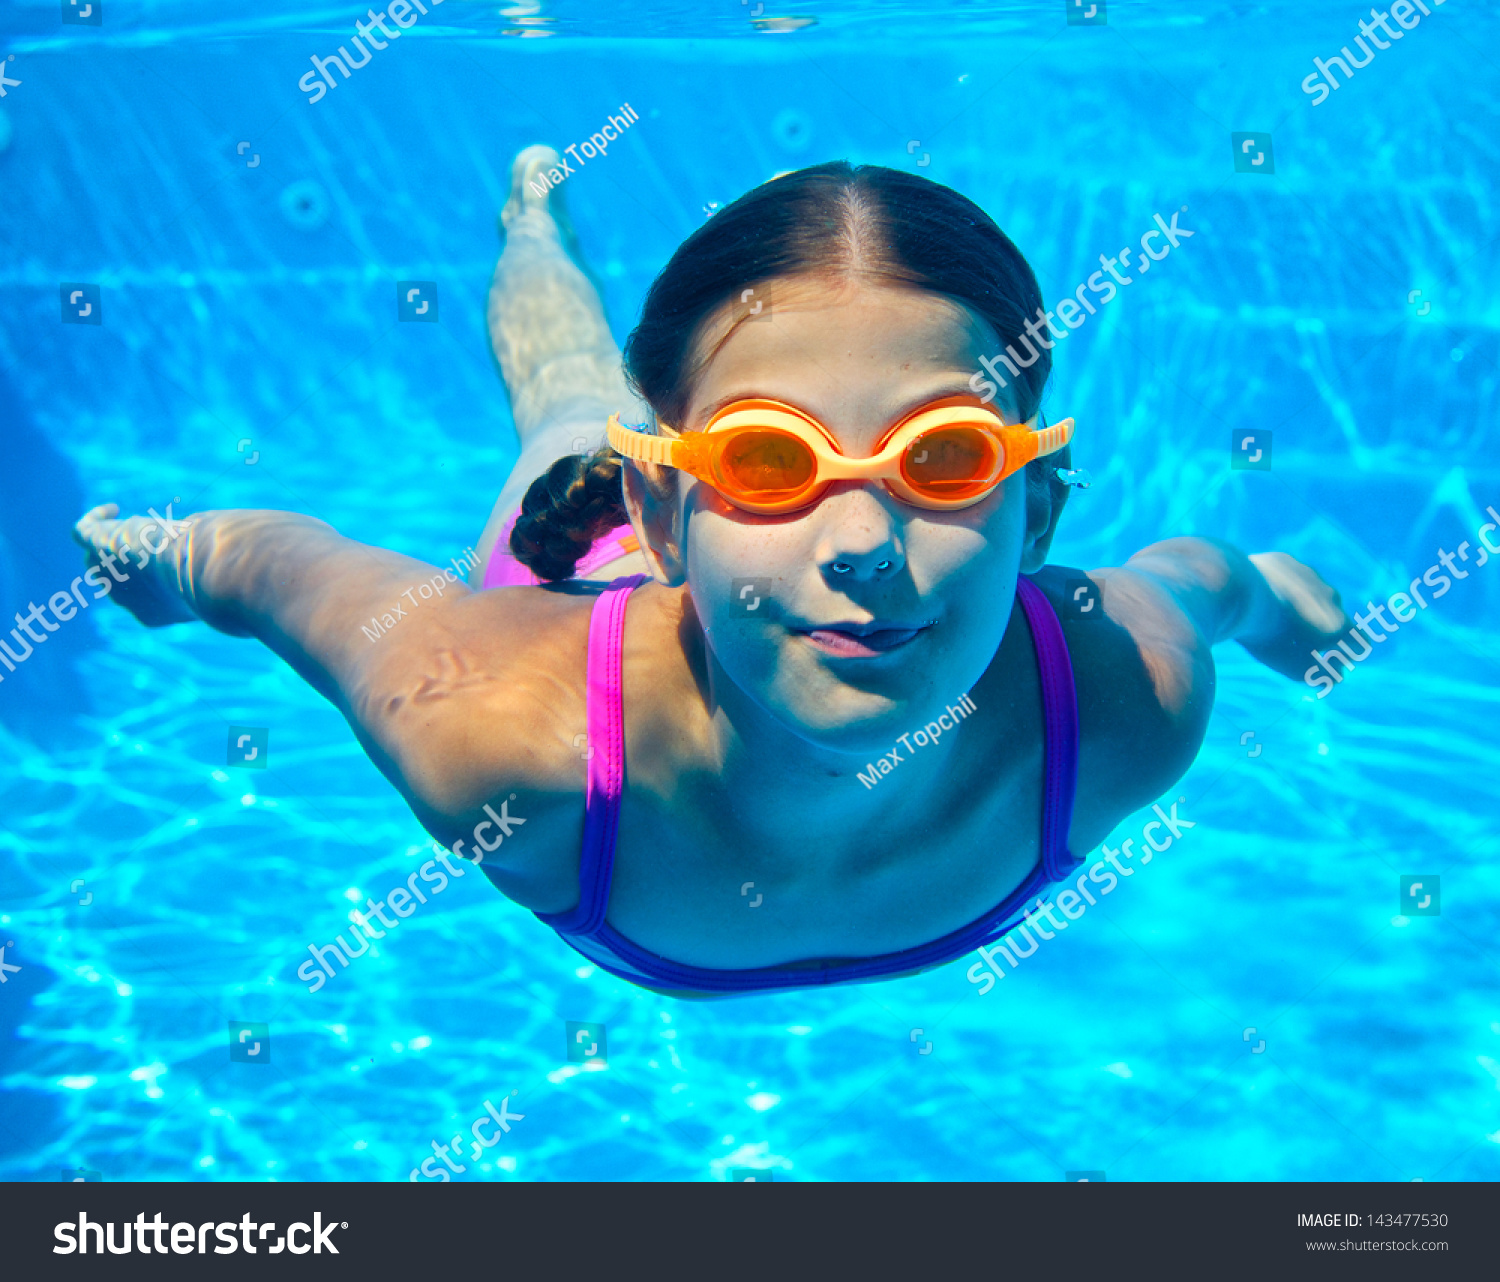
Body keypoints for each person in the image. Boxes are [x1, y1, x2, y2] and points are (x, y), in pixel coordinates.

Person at [73, 150, 1350, 997]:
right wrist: (174, 561)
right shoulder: (504, 739)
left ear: (1037, 515)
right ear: (667, 512)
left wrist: (1282, 603)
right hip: (570, 570)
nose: (861, 539)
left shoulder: (1126, 699)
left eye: (947, 455)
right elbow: (296, 575)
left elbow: (1202, 579)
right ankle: (533, 224)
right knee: (570, 402)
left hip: (731, 568)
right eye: (766, 456)